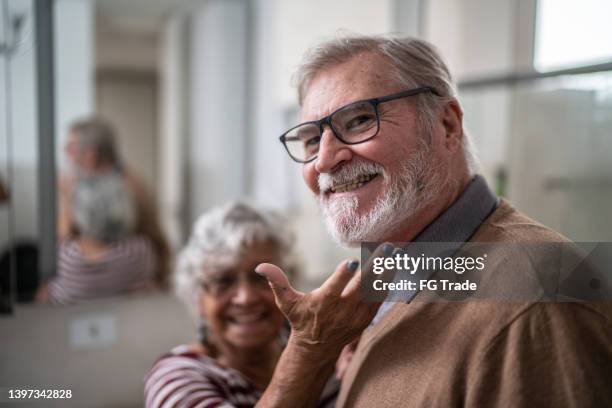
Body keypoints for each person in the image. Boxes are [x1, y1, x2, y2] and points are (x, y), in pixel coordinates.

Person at [253, 35, 612, 407]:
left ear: (447, 125)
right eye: (311, 140)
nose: (325, 160)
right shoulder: (389, 280)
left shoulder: (541, 293)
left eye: (360, 120)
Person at [145, 202, 341, 408]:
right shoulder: (176, 376)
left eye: (261, 278)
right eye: (223, 282)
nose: (245, 298)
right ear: (198, 297)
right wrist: (308, 353)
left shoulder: (328, 357)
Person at [59, 117, 171, 288]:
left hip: (125, 292)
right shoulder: (129, 181)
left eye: (71, 147)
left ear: (91, 156)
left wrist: (67, 199)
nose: (65, 152)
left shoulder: (126, 189)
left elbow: (64, 239)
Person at [37, 174, 157, 304]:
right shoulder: (137, 252)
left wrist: (67, 198)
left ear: (77, 216)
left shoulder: (65, 257)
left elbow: (62, 234)